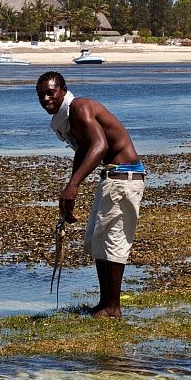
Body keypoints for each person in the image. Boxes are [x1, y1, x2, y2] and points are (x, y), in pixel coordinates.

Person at [36, 71, 145, 318]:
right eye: (41, 95)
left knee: (113, 241)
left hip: (125, 177)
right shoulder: (69, 118)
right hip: (112, 177)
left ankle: (113, 307)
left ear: (63, 90)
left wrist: (73, 185)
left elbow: (100, 145)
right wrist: (70, 190)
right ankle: (104, 303)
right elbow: (83, 150)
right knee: (99, 241)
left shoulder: (80, 107)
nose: (45, 99)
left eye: (50, 92)